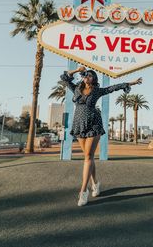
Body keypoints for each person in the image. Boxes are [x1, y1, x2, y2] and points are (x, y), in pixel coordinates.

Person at [61, 66, 142, 206]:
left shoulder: (97, 91)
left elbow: (112, 88)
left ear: (94, 79)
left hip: (93, 124)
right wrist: (76, 70)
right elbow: (64, 77)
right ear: (83, 76)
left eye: (91, 75)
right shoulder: (75, 88)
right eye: (86, 75)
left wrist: (131, 83)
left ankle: (83, 191)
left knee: (87, 157)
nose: (87, 77)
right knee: (89, 157)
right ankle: (96, 183)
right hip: (79, 124)